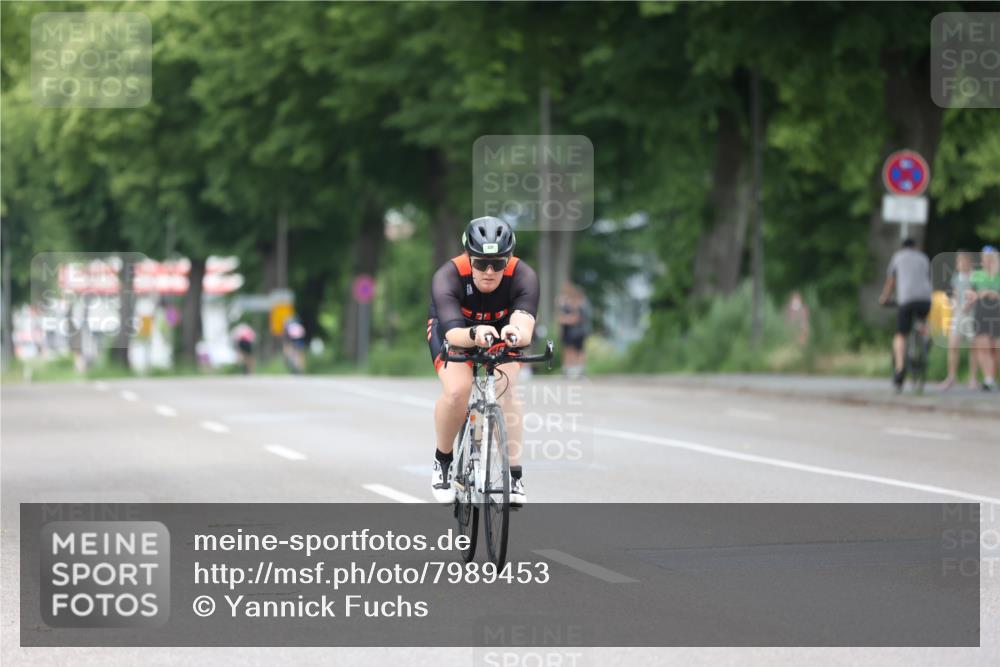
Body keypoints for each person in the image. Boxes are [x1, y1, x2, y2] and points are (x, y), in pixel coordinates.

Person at [427, 216, 539, 505]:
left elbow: (524, 324)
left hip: (501, 330)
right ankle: (443, 461)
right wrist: (475, 333)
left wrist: (516, 333)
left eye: (498, 264)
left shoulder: (524, 275)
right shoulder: (448, 276)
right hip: (457, 330)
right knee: (457, 391)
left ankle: (514, 476)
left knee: (505, 389)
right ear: (468, 257)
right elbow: (452, 333)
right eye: (480, 263)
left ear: (509, 260)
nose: (489, 272)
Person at [878, 238, 932, 392]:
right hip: (925, 299)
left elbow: (891, 280)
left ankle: (900, 368)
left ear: (902, 247)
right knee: (921, 320)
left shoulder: (898, 257)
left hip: (906, 299)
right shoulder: (923, 257)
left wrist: (885, 297)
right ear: (915, 247)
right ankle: (924, 337)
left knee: (900, 334)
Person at [942, 251, 978, 390]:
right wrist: (953, 313)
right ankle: (951, 377)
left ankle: (973, 378)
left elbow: (975, 293)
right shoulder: (957, 277)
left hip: (972, 316)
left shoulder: (975, 277)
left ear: (968, 262)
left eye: (962, 261)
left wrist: (967, 305)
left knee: (973, 347)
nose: (959, 264)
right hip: (959, 315)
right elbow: (955, 295)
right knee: (953, 345)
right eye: (958, 262)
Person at [967, 246, 1000, 391]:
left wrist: (996, 295)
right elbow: (970, 295)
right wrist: (982, 293)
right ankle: (988, 378)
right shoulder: (976, 275)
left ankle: (992, 377)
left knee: (995, 347)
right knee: (983, 345)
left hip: (997, 311)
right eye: (983, 259)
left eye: (988, 259)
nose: (985, 261)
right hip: (981, 311)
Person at [557, 282, 591, 379]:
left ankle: (578, 370)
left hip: (578, 331)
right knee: (569, 350)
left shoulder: (581, 304)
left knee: (578, 350)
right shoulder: (565, 303)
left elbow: (576, 318)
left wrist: (566, 319)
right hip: (570, 331)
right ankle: (569, 370)